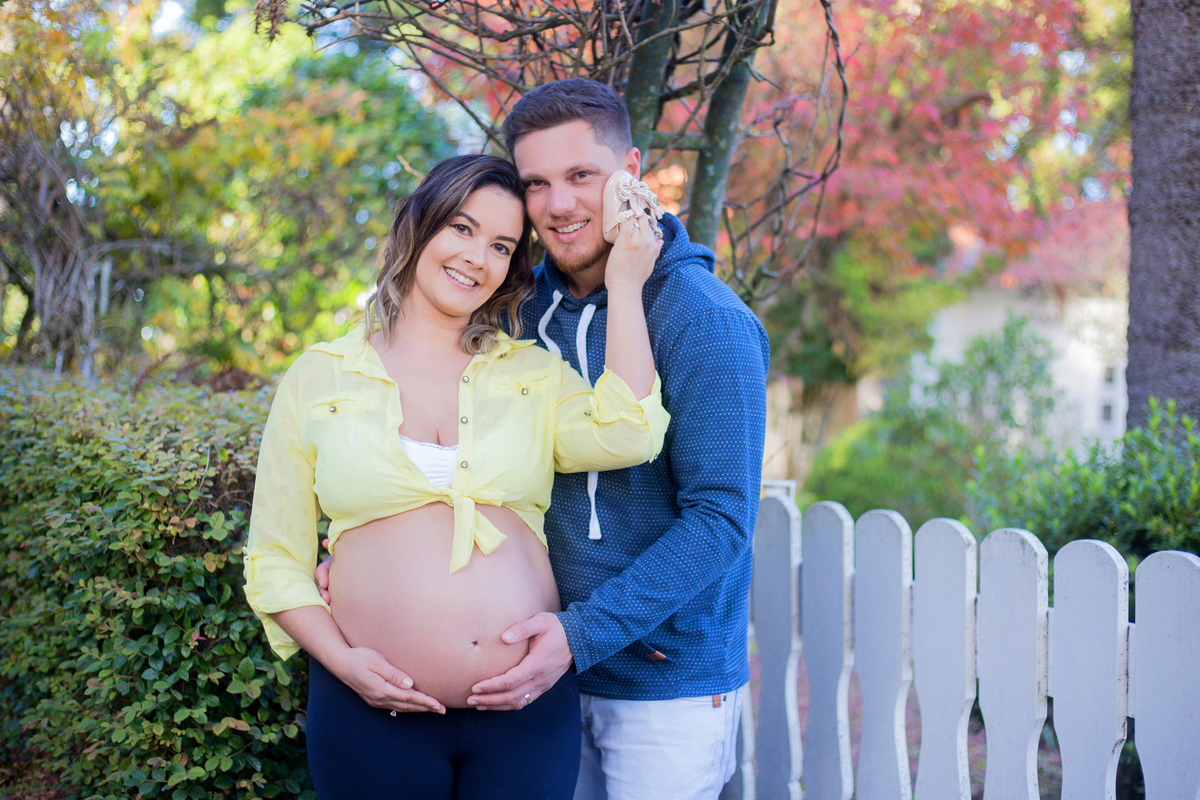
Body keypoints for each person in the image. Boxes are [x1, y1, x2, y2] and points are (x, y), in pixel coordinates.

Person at [243, 154, 668, 799]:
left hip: (524, 710)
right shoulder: (320, 375)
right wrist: (343, 661)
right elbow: (275, 559)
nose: (477, 257)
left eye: (500, 245)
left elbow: (629, 431)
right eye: (462, 229)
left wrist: (629, 284)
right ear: (419, 225)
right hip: (370, 711)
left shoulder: (530, 373)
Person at [468, 80, 770, 799]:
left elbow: (721, 520)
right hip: (529, 671)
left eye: (582, 175)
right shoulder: (513, 311)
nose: (559, 204)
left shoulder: (705, 321)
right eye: (536, 183)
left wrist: (580, 636)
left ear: (631, 169)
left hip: (664, 684)